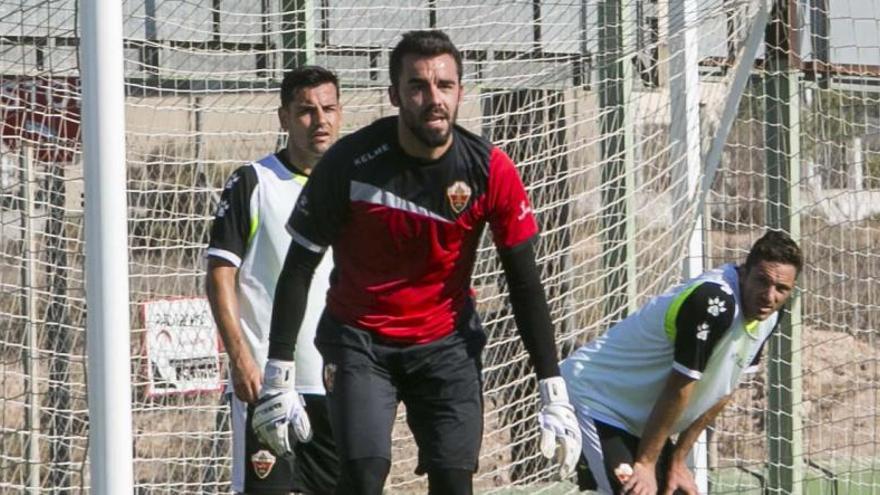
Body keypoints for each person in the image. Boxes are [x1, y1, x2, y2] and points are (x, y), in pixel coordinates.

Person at [252, 30, 581, 495]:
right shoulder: (349, 163)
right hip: (359, 341)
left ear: (461, 91)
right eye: (418, 86)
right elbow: (300, 266)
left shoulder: (491, 170)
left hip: (447, 346)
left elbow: (524, 284)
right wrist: (277, 374)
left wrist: (552, 386)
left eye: (445, 85)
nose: (434, 98)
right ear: (394, 94)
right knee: (364, 475)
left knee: (454, 483)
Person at [560, 230, 803, 495]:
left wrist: (678, 460)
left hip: (640, 421)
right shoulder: (714, 302)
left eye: (781, 289)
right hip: (595, 399)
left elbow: (724, 390)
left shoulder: (769, 316)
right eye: (762, 280)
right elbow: (680, 386)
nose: (769, 296)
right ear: (744, 272)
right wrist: (646, 463)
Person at [205, 66, 342, 494]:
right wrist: (241, 358)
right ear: (283, 118)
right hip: (269, 385)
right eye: (305, 111)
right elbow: (219, 275)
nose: (320, 120)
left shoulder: (353, 186)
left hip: (337, 384)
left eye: (329, 108)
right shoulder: (254, 181)